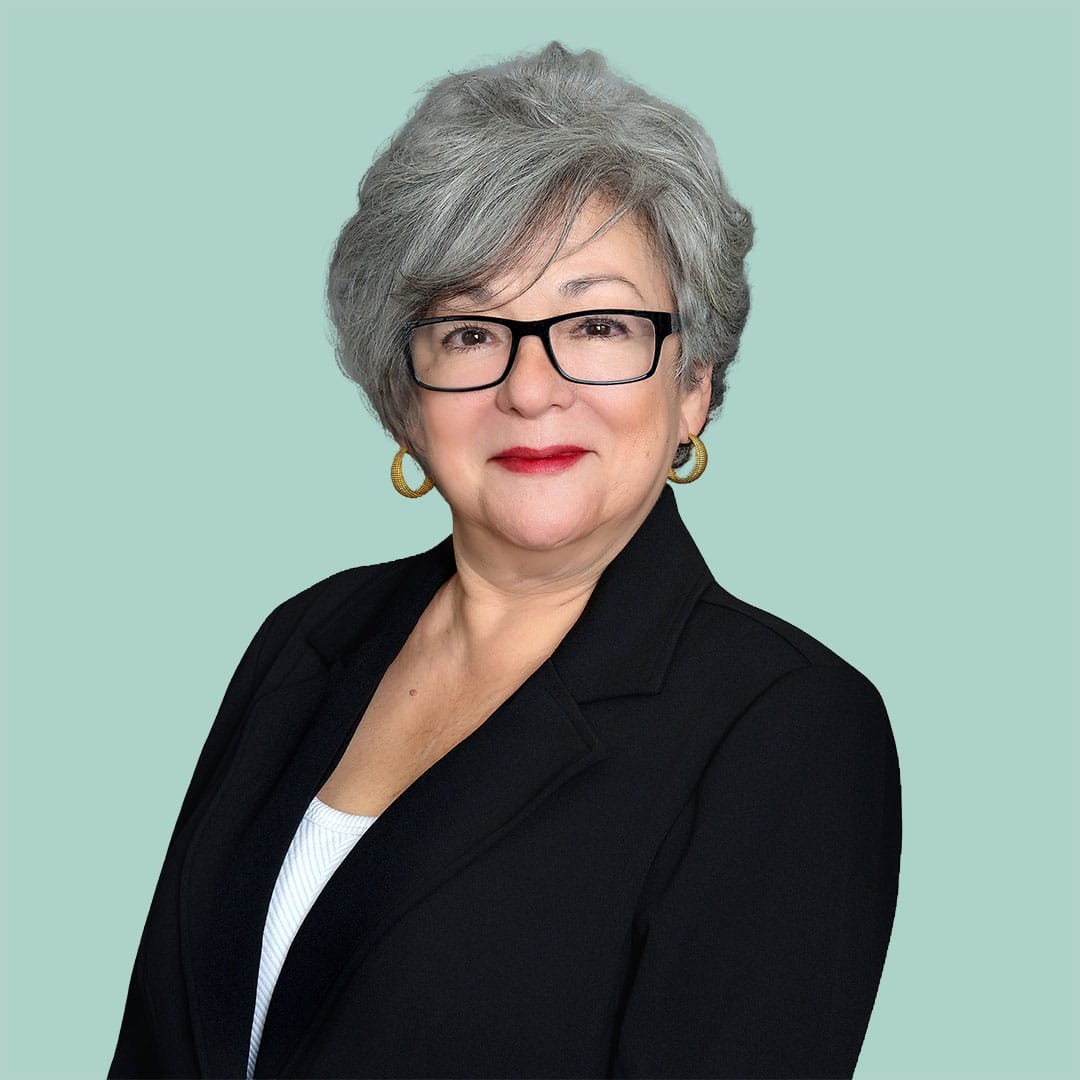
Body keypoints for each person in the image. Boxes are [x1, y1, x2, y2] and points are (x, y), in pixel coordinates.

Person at [109, 42, 900, 1080]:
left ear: (695, 383)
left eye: (600, 322)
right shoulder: (307, 637)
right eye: (474, 330)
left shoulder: (785, 731)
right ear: (406, 388)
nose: (531, 389)